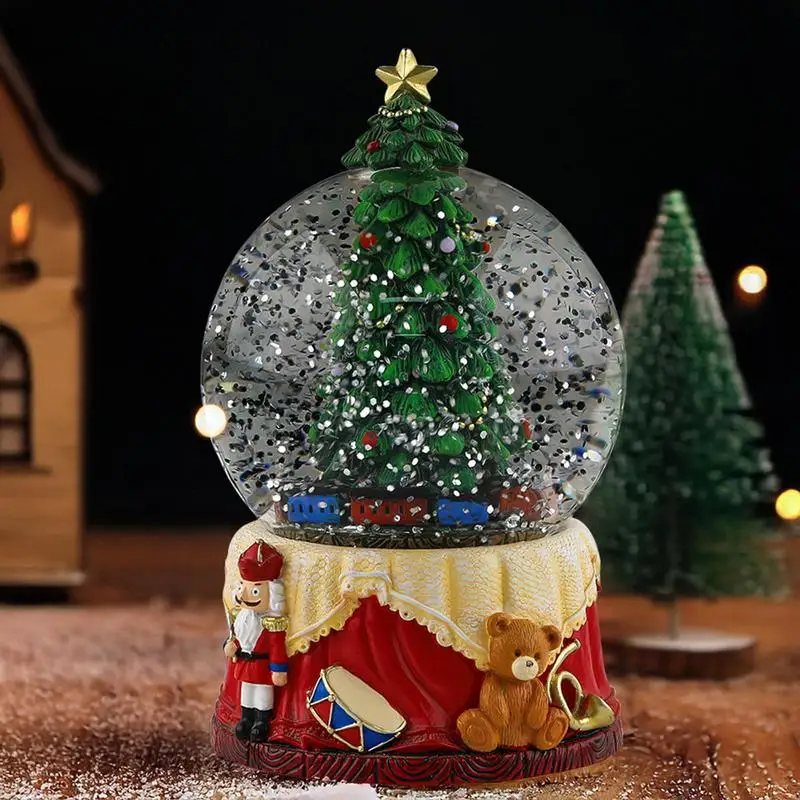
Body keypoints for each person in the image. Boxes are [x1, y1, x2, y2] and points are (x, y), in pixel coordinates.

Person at [224, 540, 289, 742]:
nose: (245, 596)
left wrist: (279, 669)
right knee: (247, 691)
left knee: (262, 693)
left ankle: (261, 721)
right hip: (245, 662)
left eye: (255, 591)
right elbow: (237, 637)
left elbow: (277, 648)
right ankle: (246, 718)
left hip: (262, 665)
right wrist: (230, 646)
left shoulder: (272, 624)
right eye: (243, 587)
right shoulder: (241, 618)